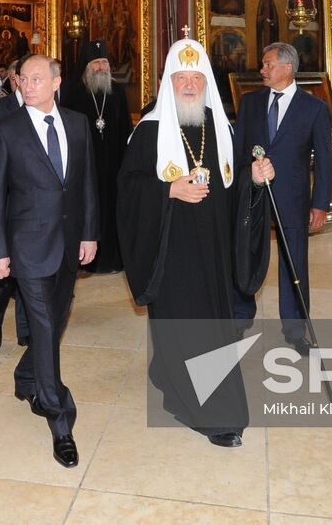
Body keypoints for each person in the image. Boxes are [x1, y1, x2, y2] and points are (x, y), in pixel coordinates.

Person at [117, 37, 272, 447]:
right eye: (181, 77)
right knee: (185, 327)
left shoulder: (221, 128)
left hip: (216, 252)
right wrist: (168, 191)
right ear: (169, 82)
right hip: (173, 254)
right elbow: (128, 191)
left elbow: (234, 186)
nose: (189, 85)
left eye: (196, 77)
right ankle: (215, 415)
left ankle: (168, 374)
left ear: (206, 83)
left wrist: (253, 180)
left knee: (210, 328)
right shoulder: (150, 130)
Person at [0, 55, 98, 468]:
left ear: (55, 81)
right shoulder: (6, 130)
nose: (26, 86)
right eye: (22, 79)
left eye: (35, 79)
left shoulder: (78, 123)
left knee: (58, 317)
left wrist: (89, 232)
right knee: (44, 326)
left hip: (68, 244)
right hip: (26, 247)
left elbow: (85, 184)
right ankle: (60, 418)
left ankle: (25, 377)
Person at [230, 43, 332, 351]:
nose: (262, 69)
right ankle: (239, 320)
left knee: (294, 263)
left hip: (294, 197)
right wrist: (243, 180)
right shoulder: (249, 102)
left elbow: (325, 161)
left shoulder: (313, 107)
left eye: (268, 64)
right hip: (253, 194)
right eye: (263, 64)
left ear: (287, 68)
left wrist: (320, 204)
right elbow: (237, 152)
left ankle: (295, 330)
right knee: (246, 257)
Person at [59, 40, 130, 273]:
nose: (101, 67)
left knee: (112, 211)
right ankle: (88, 260)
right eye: (96, 62)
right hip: (84, 166)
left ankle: (113, 259)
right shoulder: (73, 93)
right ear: (86, 66)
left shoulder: (118, 92)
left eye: (104, 62)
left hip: (114, 166)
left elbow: (126, 131)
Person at [0, 54, 30, 350]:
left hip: (33, 206)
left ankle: (25, 327)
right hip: (5, 203)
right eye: (23, 77)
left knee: (29, 269)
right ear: (13, 80)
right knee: (3, 272)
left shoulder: (48, 109)